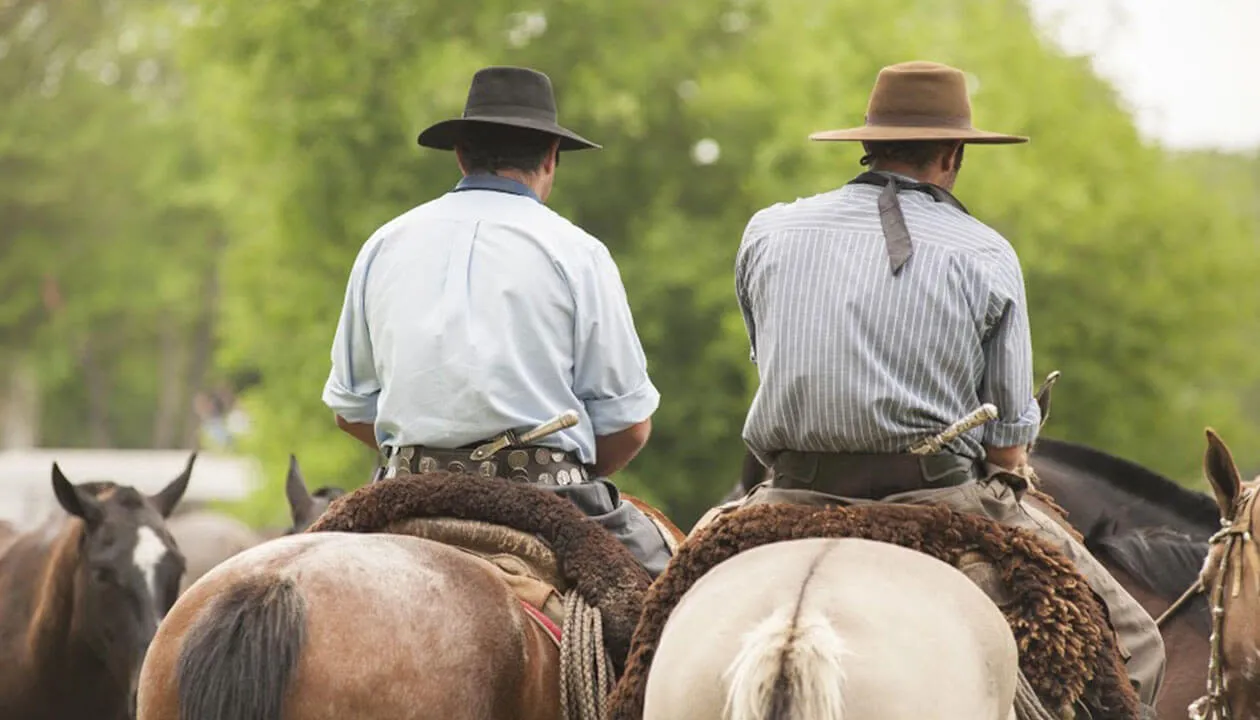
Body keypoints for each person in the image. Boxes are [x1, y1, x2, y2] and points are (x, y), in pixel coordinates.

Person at [731, 60, 1165, 713]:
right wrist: (1007, 460)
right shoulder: (984, 251)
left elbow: (769, 354)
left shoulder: (768, 230)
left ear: (866, 145)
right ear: (954, 154)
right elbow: (1009, 443)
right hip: (941, 495)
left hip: (787, 490)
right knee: (1138, 646)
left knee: (653, 616)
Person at [320, 66, 671, 577]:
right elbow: (630, 428)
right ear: (551, 158)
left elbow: (350, 409)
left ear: (461, 154)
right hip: (546, 493)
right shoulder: (578, 252)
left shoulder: (383, 244)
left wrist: (440, 457)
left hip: (405, 489)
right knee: (666, 600)